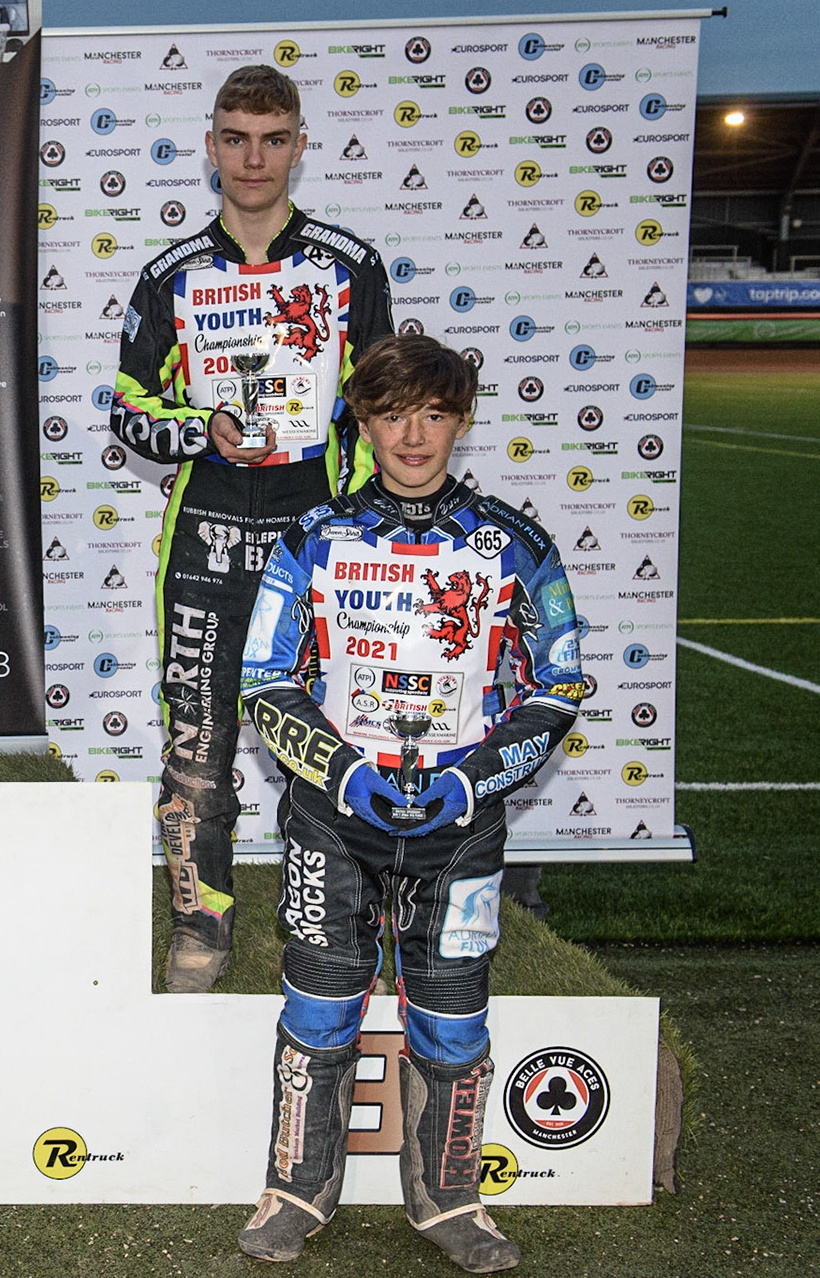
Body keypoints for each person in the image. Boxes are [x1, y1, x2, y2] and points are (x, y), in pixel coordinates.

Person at [236, 334, 583, 1273]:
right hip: (333, 818)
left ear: (461, 421)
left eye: (434, 413)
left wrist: (471, 779)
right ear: (363, 421)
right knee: (319, 1007)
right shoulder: (311, 539)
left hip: (459, 828)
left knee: (452, 1015)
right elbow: (265, 680)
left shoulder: (518, 544)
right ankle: (295, 1191)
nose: (414, 434)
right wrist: (347, 773)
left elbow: (558, 688)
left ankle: (449, 1203)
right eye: (393, 414)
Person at [111, 64, 394, 992]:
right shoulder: (170, 276)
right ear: (211, 146)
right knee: (197, 751)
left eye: (273, 139)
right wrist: (200, 430)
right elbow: (127, 407)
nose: (254, 157)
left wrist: (366, 524)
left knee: (335, 740)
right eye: (235, 137)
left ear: (300, 146)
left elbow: (382, 408)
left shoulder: (350, 269)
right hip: (204, 540)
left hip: (319, 543)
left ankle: (336, 930)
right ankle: (202, 929)